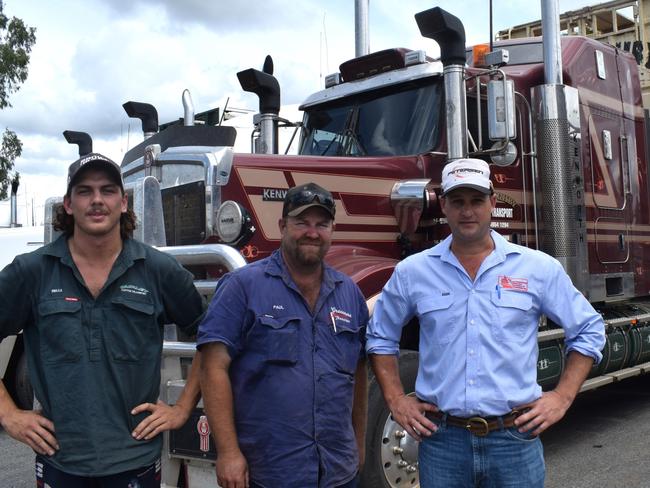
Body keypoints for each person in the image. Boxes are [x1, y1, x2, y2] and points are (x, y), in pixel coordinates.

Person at [366, 158, 606, 487]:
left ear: (492, 203)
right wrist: (395, 401)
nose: (468, 211)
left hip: (514, 440)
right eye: (458, 201)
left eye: (477, 200)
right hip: (442, 442)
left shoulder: (536, 268)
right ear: (443, 205)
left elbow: (589, 330)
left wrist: (562, 397)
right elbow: (380, 337)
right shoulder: (413, 272)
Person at [0, 153, 205, 487]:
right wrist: (8, 414)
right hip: (60, 460)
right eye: (85, 191)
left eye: (108, 190)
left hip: (135, 461)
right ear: (67, 204)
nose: (97, 200)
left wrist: (182, 409)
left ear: (123, 202)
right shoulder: (31, 272)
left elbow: (212, 339)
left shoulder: (157, 270)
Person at [197, 182, 368, 488]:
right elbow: (212, 368)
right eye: (302, 222)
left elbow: (357, 374)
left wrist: (359, 442)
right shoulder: (243, 286)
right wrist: (228, 452)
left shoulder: (350, 294)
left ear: (332, 230)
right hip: (270, 472)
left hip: (337, 470)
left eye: (322, 224)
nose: (312, 232)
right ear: (282, 225)